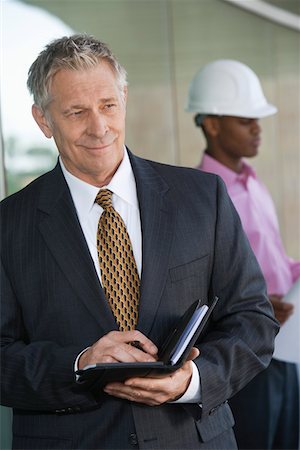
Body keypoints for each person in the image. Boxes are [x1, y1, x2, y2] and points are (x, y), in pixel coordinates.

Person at [0, 36, 279, 450]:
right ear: (43, 120)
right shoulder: (8, 225)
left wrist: (193, 381)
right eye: (76, 112)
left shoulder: (204, 198)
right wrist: (80, 365)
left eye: (108, 105)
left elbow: (254, 319)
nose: (99, 127)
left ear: (124, 98)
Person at [186, 59, 300, 450]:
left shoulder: (254, 184)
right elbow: (198, 286)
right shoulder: (202, 196)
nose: (257, 128)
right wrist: (256, 302)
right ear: (213, 124)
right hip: (247, 353)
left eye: (258, 119)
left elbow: (276, 263)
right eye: (245, 119)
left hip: (284, 352)